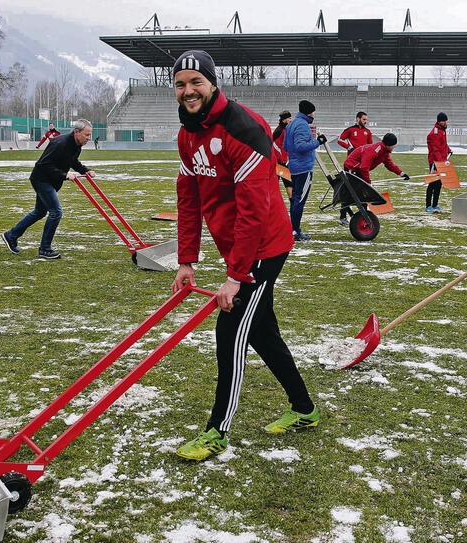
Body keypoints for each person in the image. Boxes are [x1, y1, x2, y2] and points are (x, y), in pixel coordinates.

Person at [170, 49, 317, 461]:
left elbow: (256, 210)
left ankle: (217, 431)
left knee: (230, 330)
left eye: (196, 82)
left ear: (213, 83)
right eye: (180, 84)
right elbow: (188, 197)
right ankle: (305, 409)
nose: (188, 91)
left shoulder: (242, 127)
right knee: (262, 332)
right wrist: (186, 260)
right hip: (236, 245)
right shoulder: (187, 133)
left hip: (264, 246)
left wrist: (236, 275)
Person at [1, 119, 94, 259]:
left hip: (51, 181)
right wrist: (65, 175)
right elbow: (44, 164)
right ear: (76, 132)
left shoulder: (76, 145)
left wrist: (86, 171)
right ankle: (45, 249)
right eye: (86, 135)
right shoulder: (60, 143)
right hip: (42, 180)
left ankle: (11, 235)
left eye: (89, 135)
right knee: (56, 212)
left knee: (39, 212)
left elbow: (73, 161)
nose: (89, 138)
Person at [283, 100, 325, 241]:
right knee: (299, 201)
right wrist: (318, 142)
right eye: (312, 112)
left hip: (294, 167)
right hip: (303, 168)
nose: (313, 115)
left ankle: (293, 229)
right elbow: (300, 146)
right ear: (309, 112)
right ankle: (295, 231)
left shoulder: (291, 124)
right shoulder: (303, 125)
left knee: (295, 199)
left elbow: (286, 147)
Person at [342, 133, 410, 185]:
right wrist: (367, 182)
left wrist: (402, 174)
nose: (395, 147)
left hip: (359, 170)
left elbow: (390, 165)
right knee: (359, 192)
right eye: (394, 145)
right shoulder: (374, 151)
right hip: (351, 168)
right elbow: (364, 167)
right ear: (388, 145)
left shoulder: (384, 152)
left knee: (362, 192)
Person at [425, 112, 452, 213]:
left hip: (441, 161)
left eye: (446, 120)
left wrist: (448, 149)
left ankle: (435, 204)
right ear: (439, 121)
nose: (445, 122)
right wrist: (440, 163)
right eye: (443, 121)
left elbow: (443, 145)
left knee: (439, 184)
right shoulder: (435, 133)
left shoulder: (442, 131)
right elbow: (435, 149)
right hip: (435, 162)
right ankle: (428, 205)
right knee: (432, 183)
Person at [271, 110, 292, 195]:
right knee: (275, 185)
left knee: (288, 183)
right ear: (285, 119)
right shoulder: (280, 130)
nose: (291, 119)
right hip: (278, 163)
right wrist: (280, 161)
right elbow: (274, 146)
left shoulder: (284, 129)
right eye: (289, 118)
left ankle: (292, 203)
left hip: (282, 162)